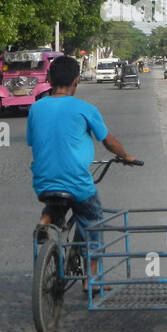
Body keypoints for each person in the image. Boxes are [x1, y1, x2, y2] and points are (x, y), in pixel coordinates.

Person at [26, 56, 137, 287]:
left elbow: (34, 141)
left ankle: (47, 218)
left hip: (43, 181)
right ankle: (92, 278)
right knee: (93, 218)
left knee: (60, 200)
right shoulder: (85, 108)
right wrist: (125, 156)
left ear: (48, 79)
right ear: (76, 81)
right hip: (76, 180)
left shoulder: (36, 108)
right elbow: (108, 141)